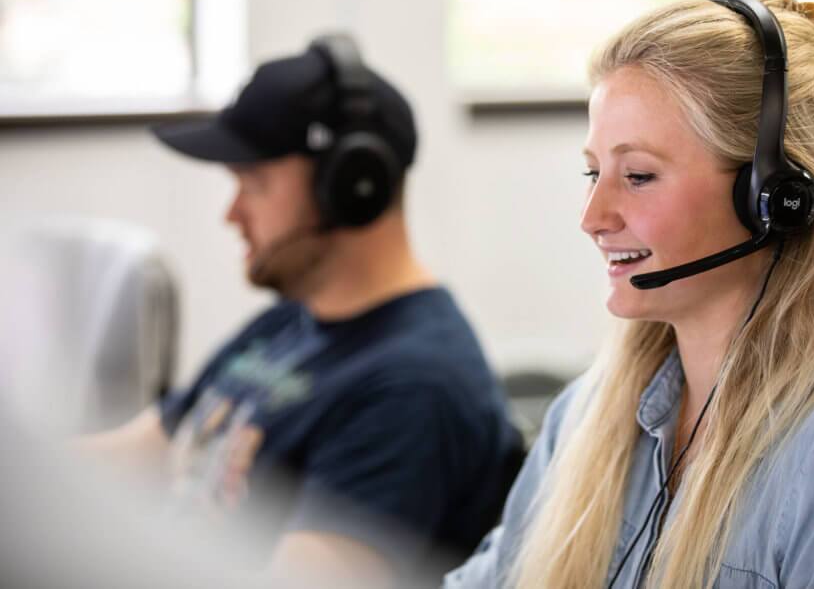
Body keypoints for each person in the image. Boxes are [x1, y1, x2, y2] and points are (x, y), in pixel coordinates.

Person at [444, 0, 814, 588]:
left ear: (772, 201)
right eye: (595, 173)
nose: (592, 217)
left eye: (638, 175)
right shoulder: (590, 414)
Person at [78, 35, 523, 588]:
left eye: (255, 183)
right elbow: (141, 452)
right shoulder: (293, 320)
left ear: (352, 184)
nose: (232, 213)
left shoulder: (414, 388)